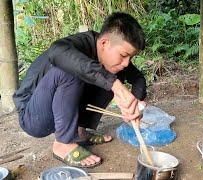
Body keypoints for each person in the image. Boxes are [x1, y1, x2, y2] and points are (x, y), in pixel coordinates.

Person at [13, 12, 147, 167]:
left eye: (130, 58)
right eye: (123, 55)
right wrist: (115, 85)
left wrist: (135, 103)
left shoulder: (115, 57)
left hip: (57, 110)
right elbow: (55, 51)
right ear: (104, 43)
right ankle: (63, 142)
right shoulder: (80, 43)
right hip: (32, 115)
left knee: (111, 72)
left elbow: (138, 78)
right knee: (75, 70)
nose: (126, 62)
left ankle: (78, 132)